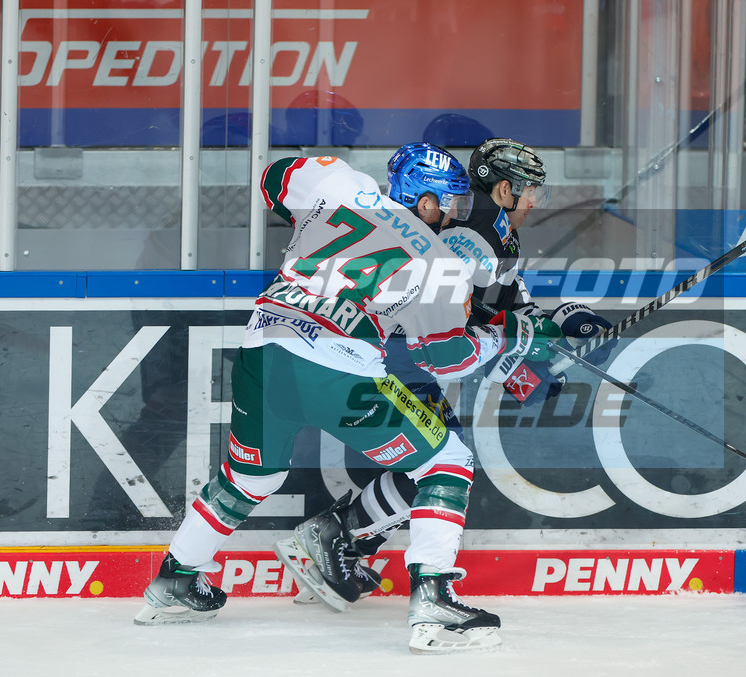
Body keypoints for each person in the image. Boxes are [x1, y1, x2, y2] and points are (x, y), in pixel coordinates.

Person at [133, 143, 563, 655]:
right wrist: (511, 338)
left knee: (250, 477)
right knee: (447, 461)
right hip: (335, 367)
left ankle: (175, 581)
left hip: (263, 348)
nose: (449, 214)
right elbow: (444, 358)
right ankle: (435, 603)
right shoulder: (436, 259)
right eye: (446, 202)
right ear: (425, 200)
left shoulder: (338, 183)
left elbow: (274, 179)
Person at [281, 139, 619, 608]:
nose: (535, 201)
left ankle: (345, 543)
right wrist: (525, 361)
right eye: (529, 190)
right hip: (398, 359)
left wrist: (566, 319)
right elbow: (461, 318)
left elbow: (507, 304)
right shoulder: (471, 235)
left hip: (403, 358)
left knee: (430, 462)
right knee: (438, 464)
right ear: (504, 188)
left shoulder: (493, 229)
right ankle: (335, 536)